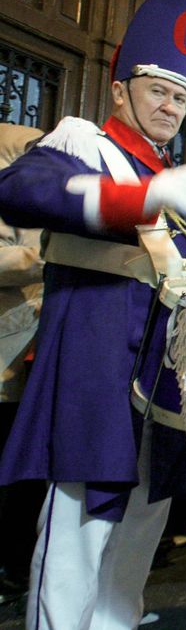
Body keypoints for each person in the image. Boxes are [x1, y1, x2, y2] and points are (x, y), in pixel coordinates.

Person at [0, 0, 186, 627]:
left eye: (181, 97)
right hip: (96, 365)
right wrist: (140, 198)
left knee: (139, 535)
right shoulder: (82, 143)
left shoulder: (172, 178)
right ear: (120, 90)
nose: (172, 107)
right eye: (157, 91)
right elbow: (19, 191)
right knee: (78, 533)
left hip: (163, 373)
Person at [0, 123, 45, 606]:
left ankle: (17, 562)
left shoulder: (38, 199)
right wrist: (48, 257)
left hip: (38, 351)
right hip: (5, 349)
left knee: (26, 469)